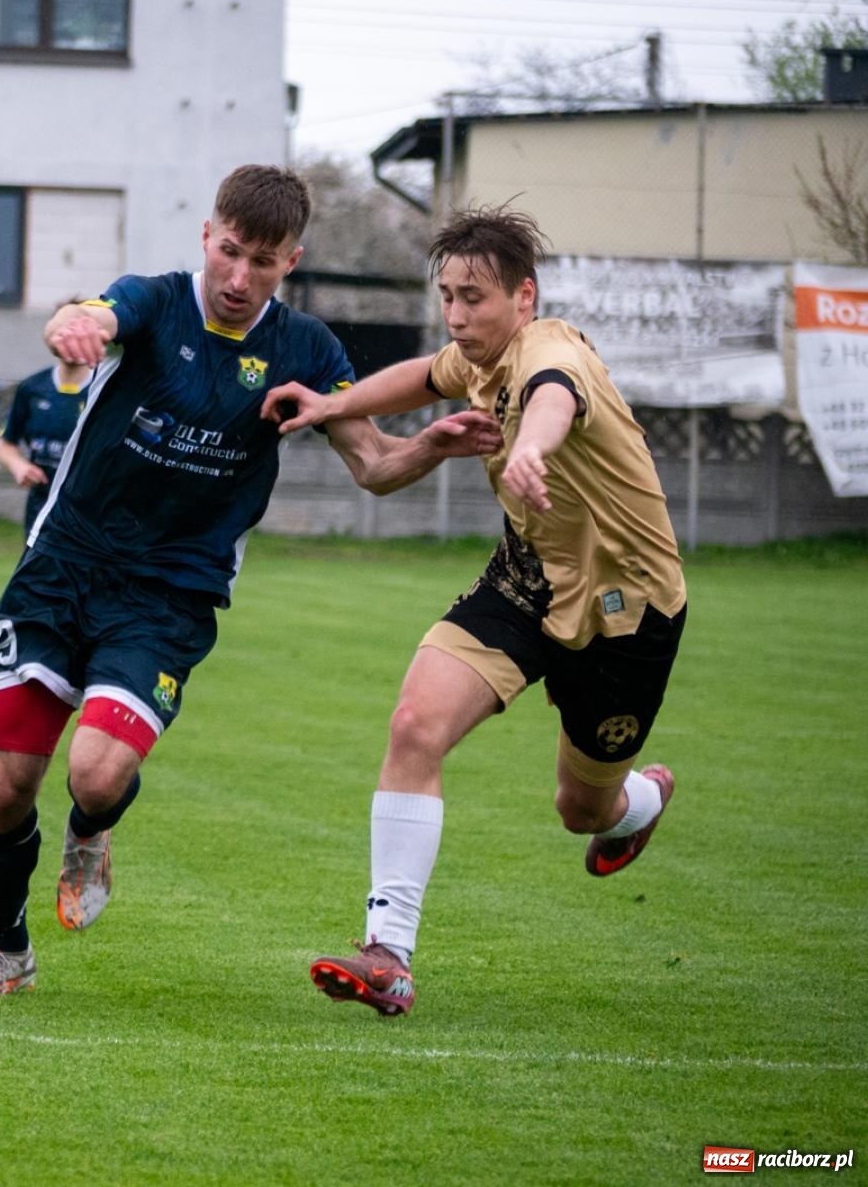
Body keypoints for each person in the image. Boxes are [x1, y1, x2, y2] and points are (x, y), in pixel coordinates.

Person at [0, 165, 503, 997]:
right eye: (231, 253)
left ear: (294, 261)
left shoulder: (308, 351)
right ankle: (7, 951)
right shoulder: (157, 301)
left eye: (265, 261)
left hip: (170, 592)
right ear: (208, 237)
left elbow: (375, 467)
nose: (240, 278)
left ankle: (91, 830)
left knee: (95, 775)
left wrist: (431, 445)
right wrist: (75, 325)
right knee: (3, 789)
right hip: (62, 567)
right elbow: (96, 312)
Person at [262, 203, 688, 1018]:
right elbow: (424, 375)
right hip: (526, 580)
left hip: (626, 613)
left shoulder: (550, 350)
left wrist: (529, 448)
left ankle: (640, 801)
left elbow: (553, 399)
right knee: (415, 724)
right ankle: (388, 955)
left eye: (476, 299)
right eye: (448, 295)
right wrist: (332, 405)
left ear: (523, 297)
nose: (458, 315)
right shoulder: (476, 359)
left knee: (581, 809)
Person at [0, 351, 89, 754]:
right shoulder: (34, 388)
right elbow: (7, 444)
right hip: (42, 532)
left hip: (91, 535)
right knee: (23, 620)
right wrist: (18, 467)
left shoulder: (105, 386)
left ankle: (100, 727)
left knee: (77, 623)